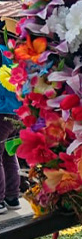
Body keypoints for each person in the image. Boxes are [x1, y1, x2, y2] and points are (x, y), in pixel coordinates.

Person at [0, 43, 21, 214]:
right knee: (9, 153)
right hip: (17, 111)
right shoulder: (8, 51)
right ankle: (12, 197)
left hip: (1, 111)